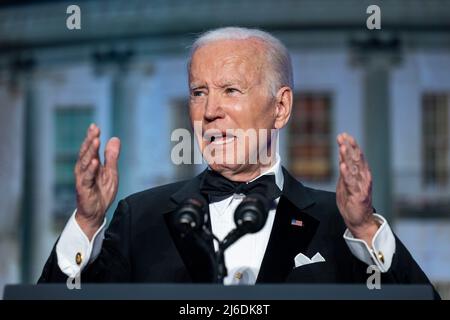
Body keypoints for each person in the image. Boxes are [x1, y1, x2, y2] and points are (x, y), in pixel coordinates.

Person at [38, 27, 437, 293]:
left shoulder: (340, 225)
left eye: (231, 90)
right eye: (198, 92)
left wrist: (367, 229)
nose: (210, 110)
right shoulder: (138, 217)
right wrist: (87, 224)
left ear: (280, 108)